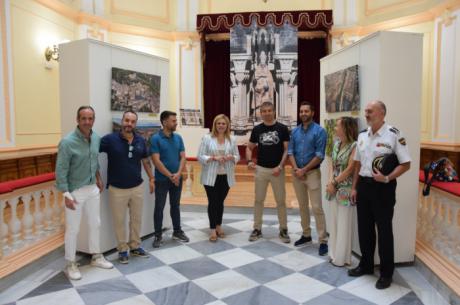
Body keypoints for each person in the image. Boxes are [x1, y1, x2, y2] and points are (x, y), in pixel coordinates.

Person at [349, 100, 411, 290]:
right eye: (365, 111)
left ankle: (386, 273)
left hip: (383, 189)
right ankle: (366, 265)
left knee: (384, 232)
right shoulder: (362, 135)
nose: (366, 114)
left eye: (370, 111)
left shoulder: (393, 134)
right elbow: (358, 165)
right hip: (364, 187)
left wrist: (387, 178)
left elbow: (406, 164)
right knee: (364, 229)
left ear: (382, 114)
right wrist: (354, 188)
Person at [55, 106, 113, 280]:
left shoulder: (95, 138)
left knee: (95, 223)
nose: (87, 122)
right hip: (75, 191)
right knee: (73, 229)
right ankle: (70, 263)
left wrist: (99, 178)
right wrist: (65, 194)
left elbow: (93, 159)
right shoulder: (67, 142)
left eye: (90, 118)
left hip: (92, 188)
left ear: (93, 120)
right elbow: (61, 170)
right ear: (77, 120)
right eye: (83, 118)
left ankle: (96, 256)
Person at [99, 110, 155, 264]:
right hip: (117, 189)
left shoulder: (140, 140)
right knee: (119, 221)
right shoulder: (109, 140)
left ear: (135, 124)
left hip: (137, 187)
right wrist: (96, 175)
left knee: (136, 219)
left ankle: (135, 246)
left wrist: (151, 178)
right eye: (126, 120)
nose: (129, 124)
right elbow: (91, 153)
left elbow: (145, 160)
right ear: (122, 121)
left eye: (132, 121)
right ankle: (122, 250)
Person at [288, 101, 328, 256]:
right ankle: (306, 235)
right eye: (301, 111)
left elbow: (320, 155)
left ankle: (323, 240)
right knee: (302, 206)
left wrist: (304, 169)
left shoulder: (320, 131)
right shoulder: (295, 132)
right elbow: (290, 152)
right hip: (297, 174)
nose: (303, 114)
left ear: (312, 112)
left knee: (317, 207)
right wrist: (297, 169)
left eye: (306, 111)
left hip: (312, 174)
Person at [246, 101, 290, 243]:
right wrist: (249, 161)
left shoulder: (282, 128)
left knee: (281, 202)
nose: (266, 113)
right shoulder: (257, 129)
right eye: (263, 111)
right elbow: (249, 147)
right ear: (261, 113)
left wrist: (280, 166)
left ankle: (283, 229)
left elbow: (286, 150)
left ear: (274, 111)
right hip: (261, 170)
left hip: (277, 170)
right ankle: (257, 229)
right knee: (258, 200)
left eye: (269, 110)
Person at [197, 114, 240, 242]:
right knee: (213, 201)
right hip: (210, 177)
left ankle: (218, 226)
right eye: (218, 123)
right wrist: (213, 158)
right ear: (215, 125)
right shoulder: (207, 138)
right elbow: (200, 156)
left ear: (227, 126)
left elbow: (237, 156)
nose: (221, 126)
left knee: (220, 202)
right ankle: (212, 230)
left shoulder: (232, 139)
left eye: (223, 124)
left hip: (225, 176)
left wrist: (231, 157)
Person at [150, 110, 189, 248]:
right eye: (173, 120)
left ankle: (177, 231)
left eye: (175, 120)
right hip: (162, 180)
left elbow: (183, 157)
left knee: (175, 206)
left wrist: (178, 174)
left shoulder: (178, 138)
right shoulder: (155, 138)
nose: (176, 122)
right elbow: (156, 161)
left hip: (176, 179)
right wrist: (171, 176)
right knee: (159, 207)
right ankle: (158, 235)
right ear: (164, 122)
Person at [325, 117, 358, 266]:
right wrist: (330, 182)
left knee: (344, 223)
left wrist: (334, 182)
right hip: (333, 187)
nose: (335, 128)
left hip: (345, 188)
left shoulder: (354, 146)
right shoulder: (337, 144)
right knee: (334, 222)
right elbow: (332, 164)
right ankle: (333, 253)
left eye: (337, 126)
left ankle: (342, 258)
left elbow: (350, 169)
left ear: (346, 128)